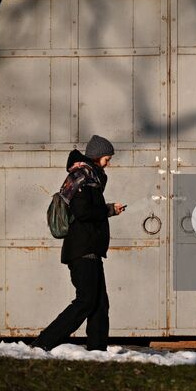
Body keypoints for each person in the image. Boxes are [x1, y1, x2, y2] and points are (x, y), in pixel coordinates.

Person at [34, 135, 126, 351]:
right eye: (106, 159)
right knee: (86, 301)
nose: (108, 163)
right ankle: (43, 343)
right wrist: (108, 209)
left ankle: (97, 350)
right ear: (97, 156)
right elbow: (83, 212)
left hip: (90, 249)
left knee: (100, 304)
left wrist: (109, 209)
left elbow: (88, 209)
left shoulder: (91, 178)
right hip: (82, 249)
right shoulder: (82, 177)